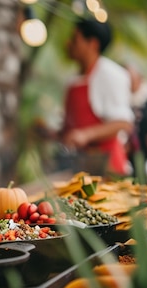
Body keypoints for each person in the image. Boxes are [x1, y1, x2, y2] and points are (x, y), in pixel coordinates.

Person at [59, 17, 134, 176]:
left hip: (108, 167)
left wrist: (85, 135)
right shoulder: (72, 80)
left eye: (75, 39)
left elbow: (123, 123)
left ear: (93, 44)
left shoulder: (111, 74)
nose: (68, 43)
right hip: (80, 167)